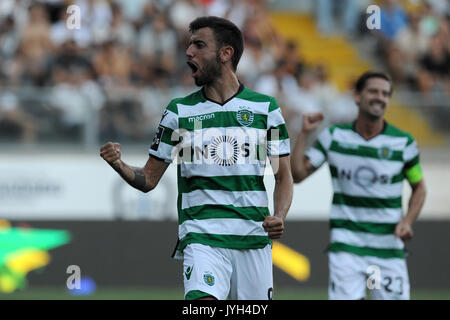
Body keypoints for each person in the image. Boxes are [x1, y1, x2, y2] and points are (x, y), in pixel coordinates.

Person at [100, 16, 293, 300]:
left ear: (226, 53)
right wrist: (119, 164)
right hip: (202, 236)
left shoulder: (266, 109)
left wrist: (279, 216)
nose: (189, 52)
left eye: (199, 45)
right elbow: (149, 179)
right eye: (189, 45)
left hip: (253, 238)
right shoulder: (178, 112)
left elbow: (283, 176)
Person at [291, 71, 427, 300]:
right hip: (347, 248)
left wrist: (407, 221)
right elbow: (298, 174)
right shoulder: (333, 138)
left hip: (387, 248)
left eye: (385, 94)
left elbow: (419, 188)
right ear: (357, 96)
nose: (380, 97)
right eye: (373, 91)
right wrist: (305, 133)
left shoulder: (403, 143)